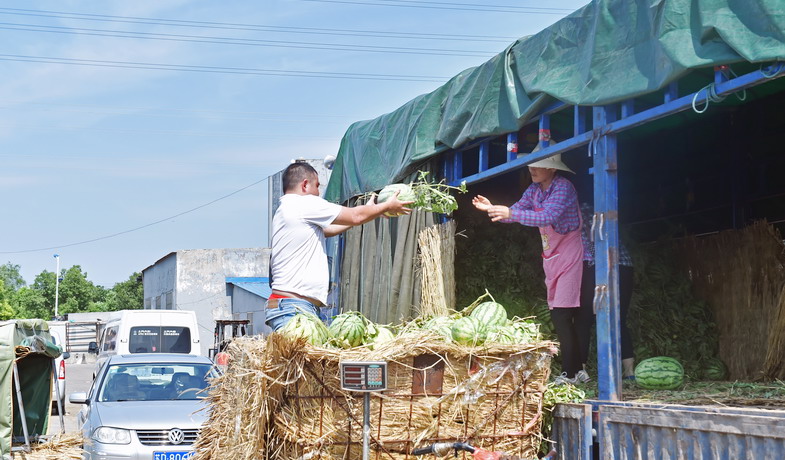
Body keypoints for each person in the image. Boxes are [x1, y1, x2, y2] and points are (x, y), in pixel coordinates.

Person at [472, 143, 590, 385]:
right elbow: (513, 212)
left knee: (562, 314)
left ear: (553, 168)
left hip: (570, 255)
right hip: (552, 256)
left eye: (539, 164)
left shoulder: (563, 187)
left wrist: (510, 213)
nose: (532, 169)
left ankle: (571, 372)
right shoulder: (534, 190)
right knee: (559, 313)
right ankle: (578, 371)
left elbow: (547, 216)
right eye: (532, 164)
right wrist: (492, 209)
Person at [266, 161, 413, 331]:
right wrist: (386, 206)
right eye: (317, 186)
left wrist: (372, 211)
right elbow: (355, 216)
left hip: (292, 306)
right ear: (305, 185)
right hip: (293, 308)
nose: (318, 192)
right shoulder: (304, 204)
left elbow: (330, 229)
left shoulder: (287, 209)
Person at [579, 202, 636, 380]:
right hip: (622, 265)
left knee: (584, 318)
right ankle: (629, 372)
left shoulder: (581, 209)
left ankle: (581, 370)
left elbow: (593, 238)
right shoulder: (596, 208)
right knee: (618, 318)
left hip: (602, 265)